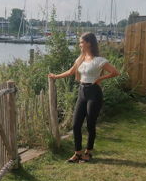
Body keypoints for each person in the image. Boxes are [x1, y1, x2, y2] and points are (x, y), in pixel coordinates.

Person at [48, 32, 120, 163]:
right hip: (82, 92)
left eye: (81, 42)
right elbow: (70, 72)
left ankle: (88, 152)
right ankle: (77, 153)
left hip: (94, 93)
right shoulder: (80, 59)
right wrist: (55, 76)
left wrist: (99, 79)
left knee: (90, 124)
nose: (79, 44)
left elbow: (115, 72)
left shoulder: (99, 60)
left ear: (89, 43)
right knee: (76, 125)